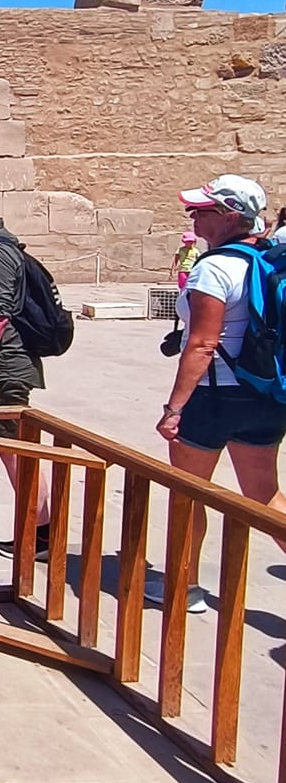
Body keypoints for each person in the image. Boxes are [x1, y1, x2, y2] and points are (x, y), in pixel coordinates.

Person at [148, 173, 286, 613]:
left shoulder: (214, 267)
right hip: (263, 394)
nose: (193, 216)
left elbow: (203, 344)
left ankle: (185, 588)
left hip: (214, 397)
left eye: (202, 210)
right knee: (263, 495)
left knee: (188, 493)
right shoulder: (263, 259)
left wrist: (174, 409)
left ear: (228, 216)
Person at [0, 216, 52, 558]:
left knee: (15, 453)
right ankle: (38, 530)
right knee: (11, 452)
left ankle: (39, 534)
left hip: (3, 371)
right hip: (1, 369)